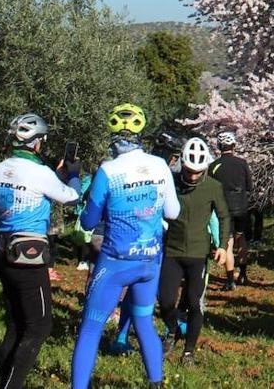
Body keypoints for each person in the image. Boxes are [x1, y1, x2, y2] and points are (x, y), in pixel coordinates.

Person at [71, 104, 179, 389]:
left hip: (116, 262)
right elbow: (173, 212)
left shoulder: (108, 171)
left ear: (113, 134)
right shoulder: (159, 165)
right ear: (141, 132)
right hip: (150, 261)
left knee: (91, 328)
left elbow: (89, 220)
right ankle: (155, 383)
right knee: (144, 322)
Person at [0, 113, 80, 389]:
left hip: (0, 247)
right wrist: (74, 175)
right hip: (27, 254)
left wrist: (56, 176)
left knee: (18, 322)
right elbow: (71, 196)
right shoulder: (40, 173)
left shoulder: (2, 167)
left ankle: (4, 377)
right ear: (37, 142)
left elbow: (32, 186)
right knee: (40, 326)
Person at [158, 137, 230, 365]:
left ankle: (188, 351)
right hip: (172, 250)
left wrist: (222, 245)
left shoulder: (213, 187)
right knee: (166, 301)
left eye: (198, 172)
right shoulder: (171, 182)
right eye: (189, 171)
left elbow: (224, 216)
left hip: (199, 254)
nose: (193, 176)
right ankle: (172, 329)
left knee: (193, 301)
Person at [209, 130, 253, 289]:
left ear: (219, 146)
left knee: (227, 243)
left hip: (224, 209)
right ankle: (243, 274)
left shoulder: (213, 166)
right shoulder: (242, 163)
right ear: (234, 145)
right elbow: (250, 186)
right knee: (242, 239)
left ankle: (230, 281)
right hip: (241, 207)